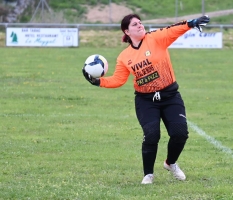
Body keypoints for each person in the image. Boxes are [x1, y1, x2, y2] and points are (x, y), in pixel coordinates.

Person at [82, 14, 210, 184]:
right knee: (152, 135)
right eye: (135, 24)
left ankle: (170, 163)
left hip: (170, 95)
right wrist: (98, 82)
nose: (140, 25)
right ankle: (148, 174)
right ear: (127, 31)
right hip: (146, 100)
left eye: (140, 22)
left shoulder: (155, 38)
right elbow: (118, 80)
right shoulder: (124, 56)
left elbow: (173, 30)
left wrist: (190, 24)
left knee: (180, 133)